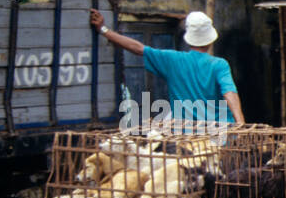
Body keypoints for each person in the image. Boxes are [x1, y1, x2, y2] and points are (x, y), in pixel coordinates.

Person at [90, 8, 245, 128]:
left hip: (186, 136)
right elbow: (229, 92)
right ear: (211, 40)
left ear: (189, 38)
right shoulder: (219, 65)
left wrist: (104, 30)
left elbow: (137, 48)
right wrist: (241, 123)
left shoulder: (172, 60)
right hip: (218, 133)